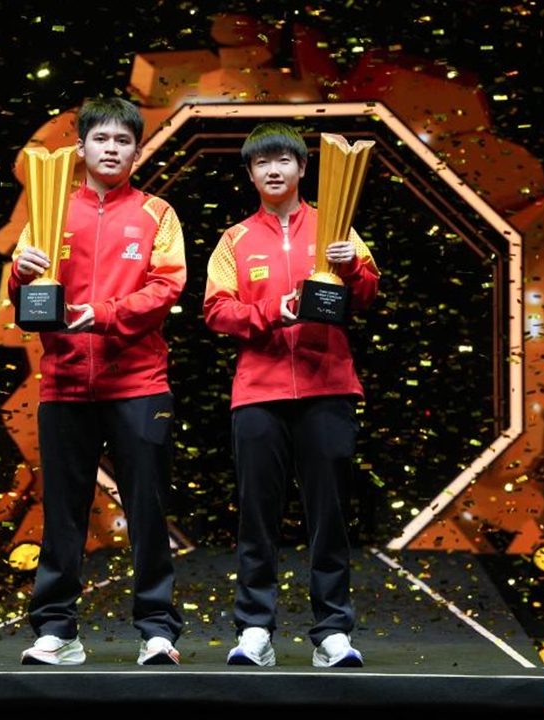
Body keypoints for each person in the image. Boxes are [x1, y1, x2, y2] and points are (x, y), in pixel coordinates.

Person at [10, 96, 186, 666]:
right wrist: (20, 275)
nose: (112, 149)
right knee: (62, 510)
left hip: (138, 383)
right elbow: (22, 300)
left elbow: (166, 287)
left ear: (138, 149)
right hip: (64, 383)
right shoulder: (47, 210)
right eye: (101, 140)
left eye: (123, 141)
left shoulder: (157, 213)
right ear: (81, 147)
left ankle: (157, 630)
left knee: (147, 507)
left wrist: (104, 313)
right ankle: (57, 630)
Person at [202, 122, 379, 668]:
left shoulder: (337, 224)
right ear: (251, 174)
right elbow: (216, 309)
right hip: (258, 393)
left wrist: (350, 264)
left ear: (303, 168)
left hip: (329, 386)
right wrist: (270, 313)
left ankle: (332, 632)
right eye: (262, 163)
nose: (273, 170)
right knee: (258, 514)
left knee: (330, 514)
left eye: (284, 160)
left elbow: (371, 293)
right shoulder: (234, 239)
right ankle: (255, 629)